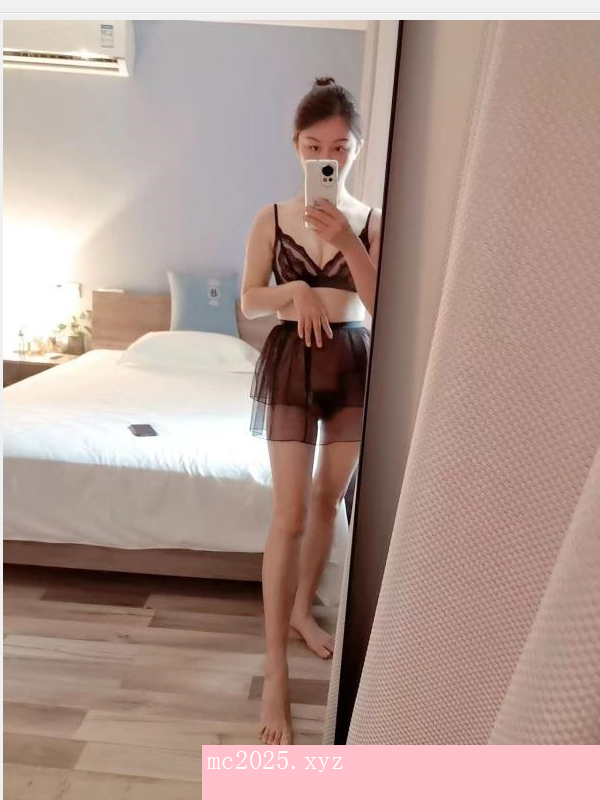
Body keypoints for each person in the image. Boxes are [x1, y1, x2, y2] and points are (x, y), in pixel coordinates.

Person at [240, 76, 382, 746]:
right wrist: (291, 289)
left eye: (340, 146)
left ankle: (302, 610)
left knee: (329, 502)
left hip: (351, 363)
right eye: (313, 145)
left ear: (356, 149)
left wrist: (349, 242)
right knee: (290, 512)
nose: (327, 156)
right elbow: (249, 299)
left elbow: (382, 305)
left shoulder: (372, 220)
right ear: (295, 146)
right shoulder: (271, 217)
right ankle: (275, 669)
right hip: (292, 362)